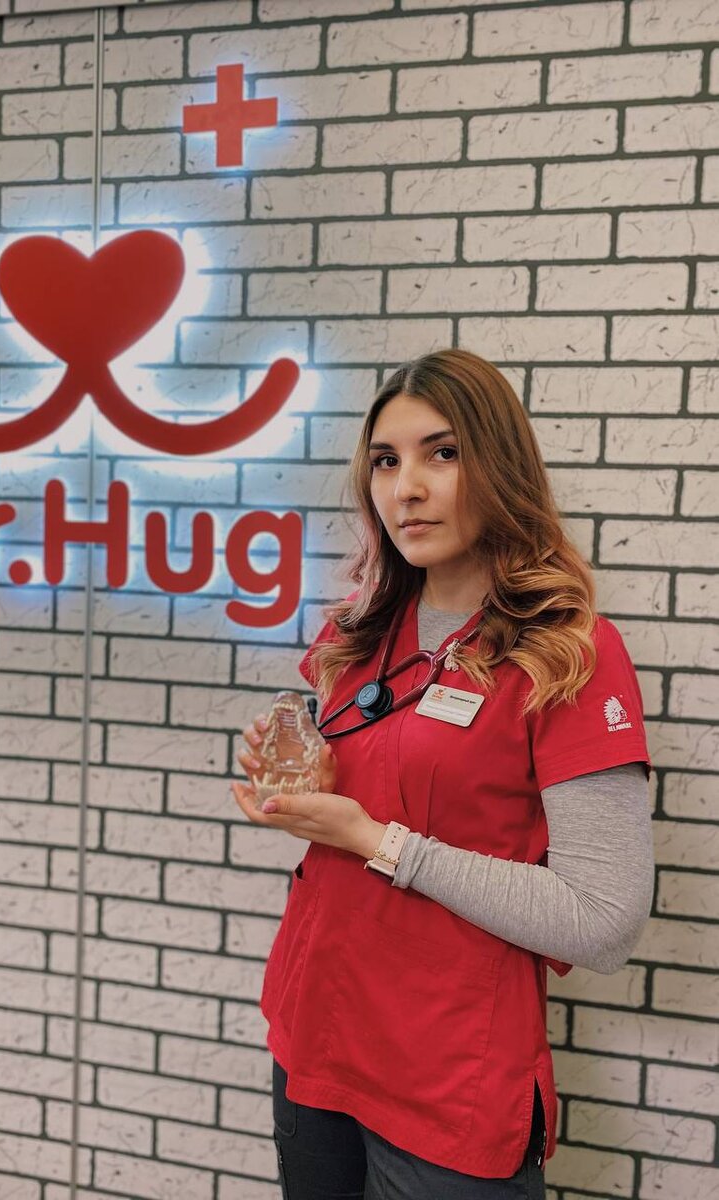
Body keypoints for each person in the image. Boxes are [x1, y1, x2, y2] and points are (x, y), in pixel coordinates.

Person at [230, 348, 654, 1200]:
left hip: (447, 1076)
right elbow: (373, 789)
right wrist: (310, 790)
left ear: (500, 467)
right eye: (386, 462)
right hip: (317, 1037)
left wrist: (377, 840)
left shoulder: (567, 654)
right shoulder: (356, 635)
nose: (407, 489)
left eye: (443, 454)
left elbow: (603, 921)